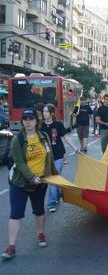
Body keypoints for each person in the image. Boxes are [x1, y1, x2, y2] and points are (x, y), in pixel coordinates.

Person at [2, 109, 58, 260]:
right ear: (22, 122)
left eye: (31, 119)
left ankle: (40, 234)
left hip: (40, 181)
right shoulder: (18, 139)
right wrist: (31, 177)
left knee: (39, 210)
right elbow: (19, 162)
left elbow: (49, 156)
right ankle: (11, 246)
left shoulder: (44, 136)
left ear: (36, 121)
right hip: (19, 182)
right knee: (16, 214)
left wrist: (53, 175)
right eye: (25, 119)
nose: (28, 121)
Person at [41, 104, 80, 213]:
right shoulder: (40, 126)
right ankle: (57, 193)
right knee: (53, 181)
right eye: (43, 111)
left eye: (46, 111)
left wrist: (75, 149)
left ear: (52, 113)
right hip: (45, 158)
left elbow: (66, 137)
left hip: (58, 156)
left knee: (53, 179)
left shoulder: (58, 124)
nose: (44, 113)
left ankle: (51, 203)